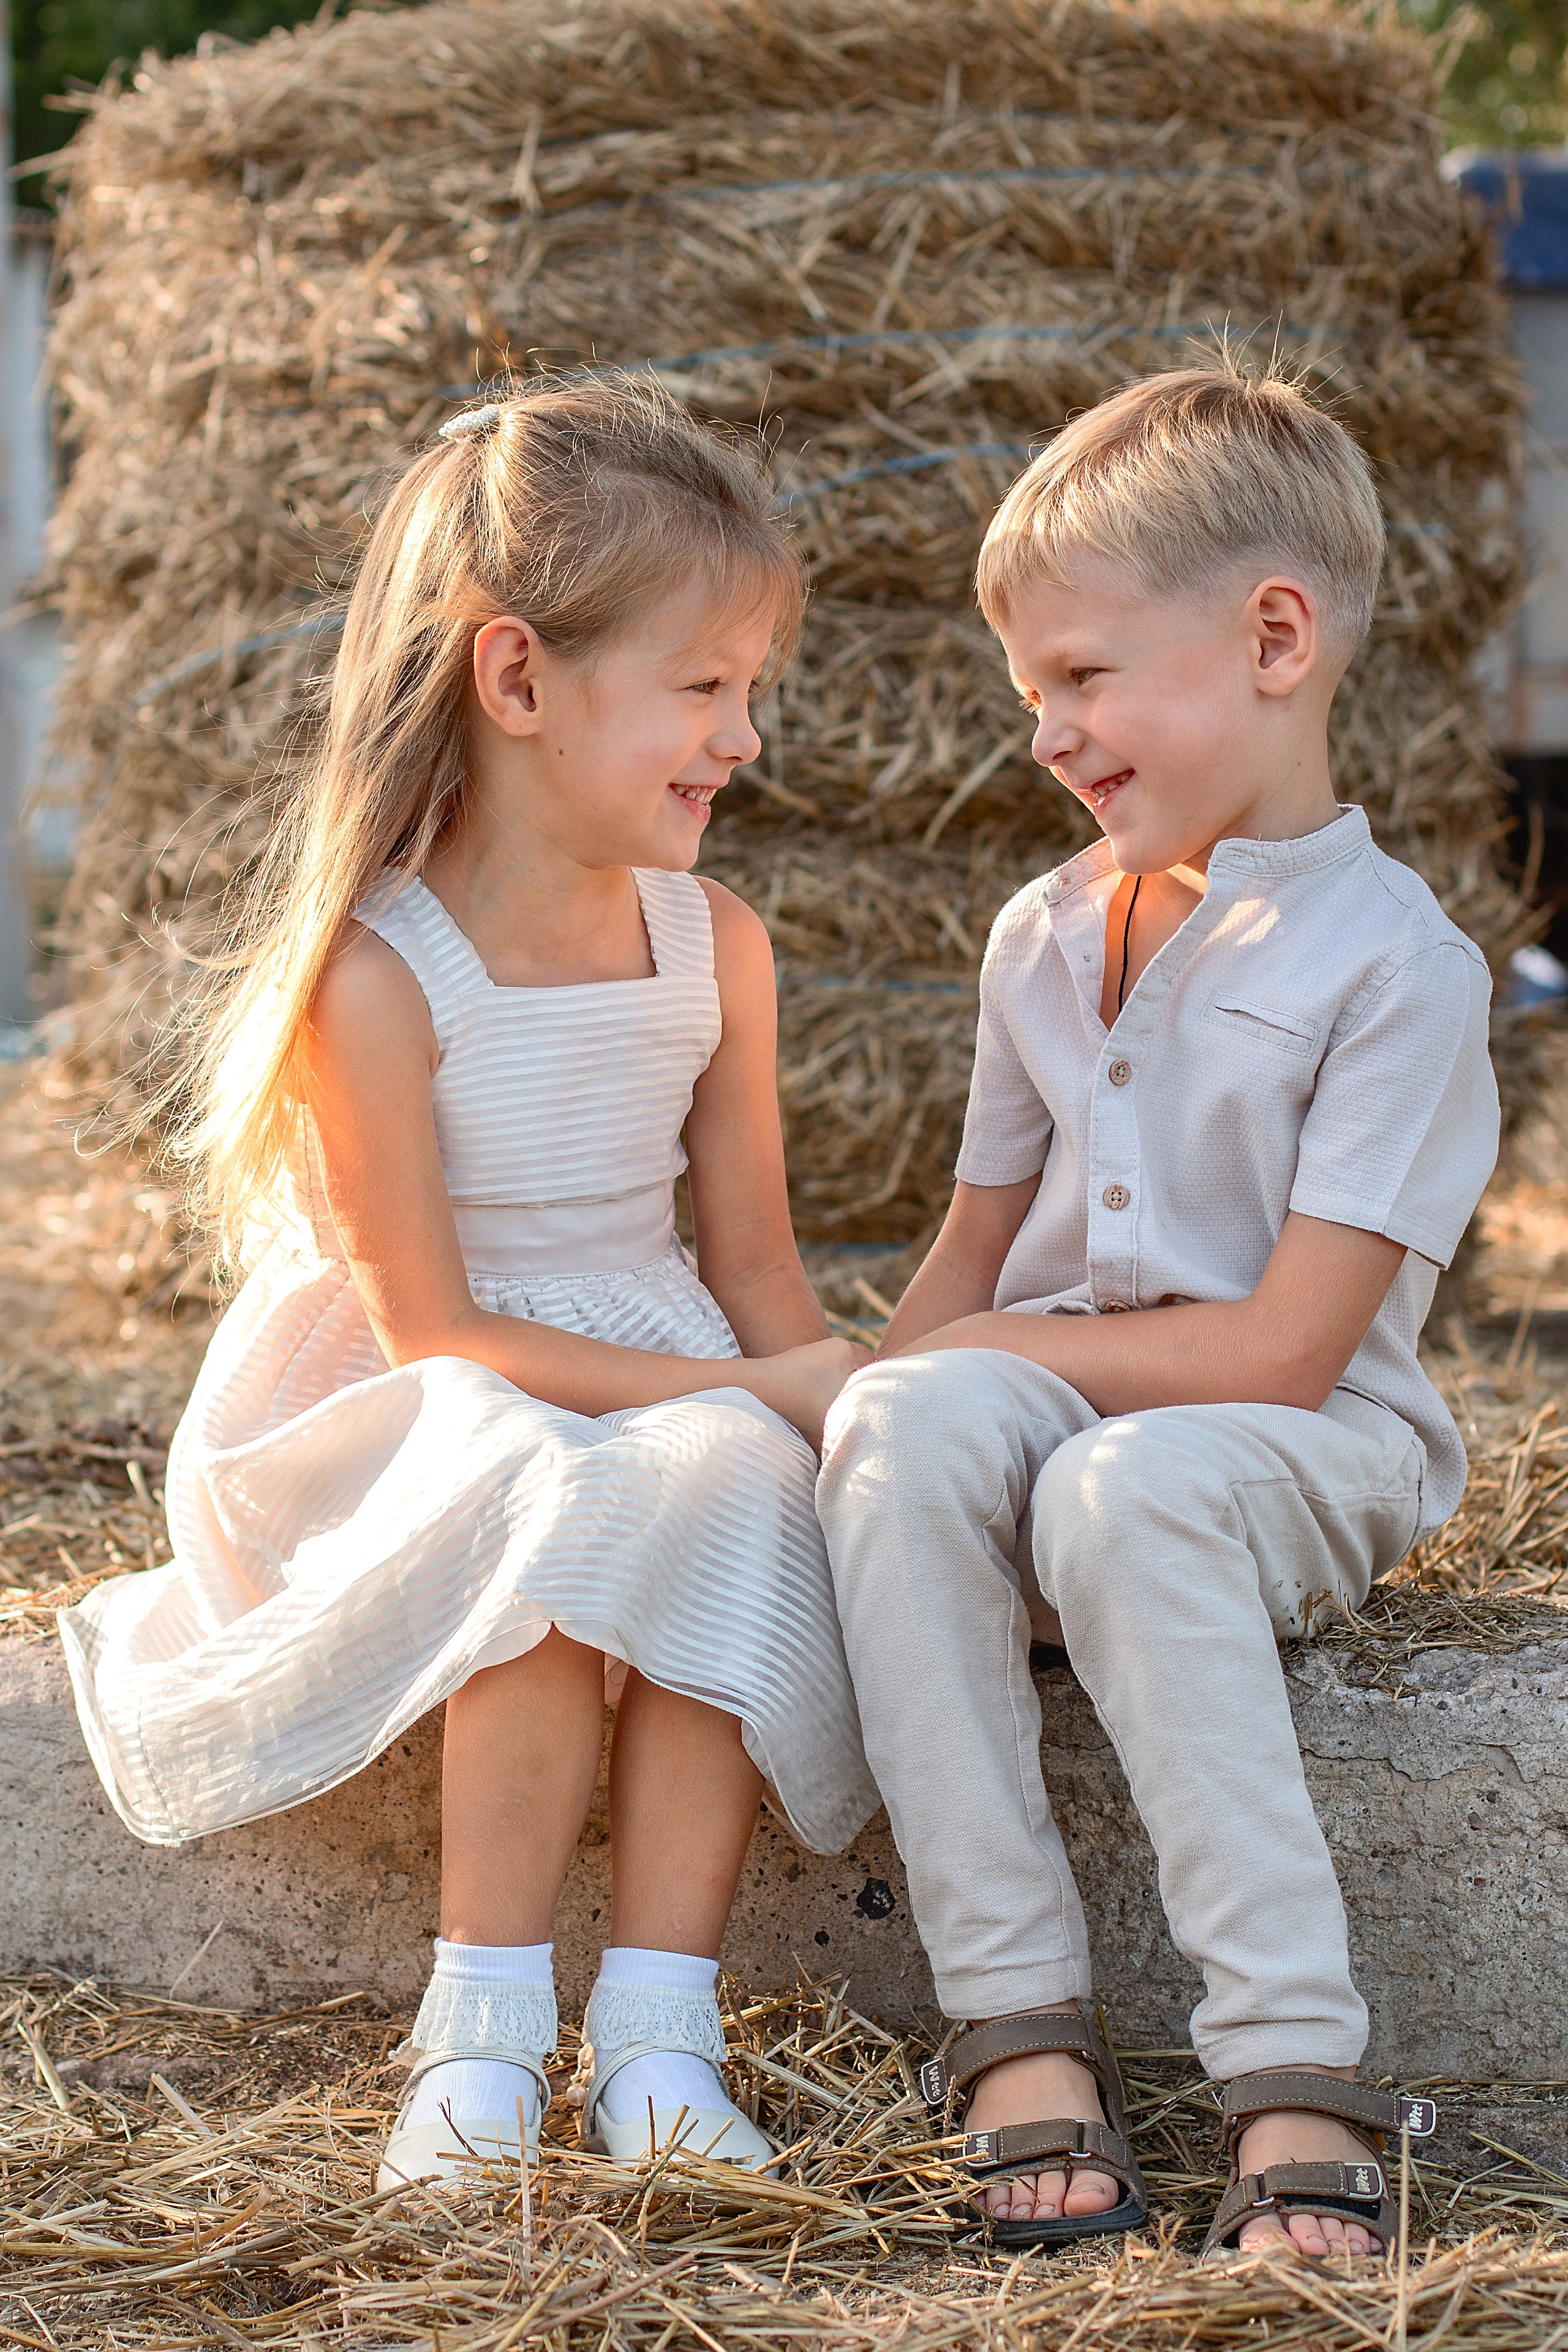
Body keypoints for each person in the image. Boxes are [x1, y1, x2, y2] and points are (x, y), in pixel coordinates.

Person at [59, 377, 877, 2189]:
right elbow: (432, 1331)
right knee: (547, 1485)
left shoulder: (714, 944)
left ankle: (663, 2035)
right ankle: (479, 2029)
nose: (743, 736)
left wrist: (820, 1395)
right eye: (704, 687)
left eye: (753, 691)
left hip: (635, 1356)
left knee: (738, 1473)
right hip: (403, 1404)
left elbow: (748, 1264)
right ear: (518, 681)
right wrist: (749, 1391)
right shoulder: (381, 975)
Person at [816, 361, 1497, 2260]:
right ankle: (1017, 2026)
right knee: (903, 1421)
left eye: (1087, 678)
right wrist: (876, 1420)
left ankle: (1295, 2070)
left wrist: (991, 1361)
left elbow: (1288, 1348)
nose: (1048, 730)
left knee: (1123, 1493)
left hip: (1295, 1450)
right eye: (1030, 691)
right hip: (1067, 1428)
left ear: (1276, 636)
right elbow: (968, 1262)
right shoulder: (1039, 935)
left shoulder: (1401, 968)